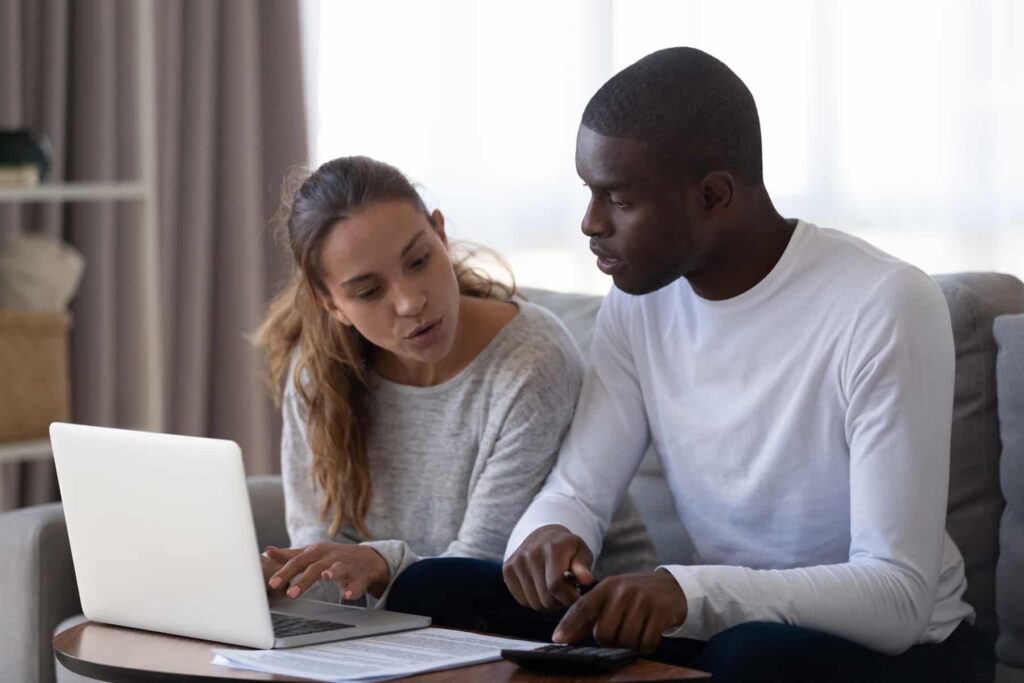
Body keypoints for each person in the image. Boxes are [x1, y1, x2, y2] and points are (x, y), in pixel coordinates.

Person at [385, 48, 977, 681]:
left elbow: (898, 597)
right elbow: (578, 491)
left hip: (893, 651)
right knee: (433, 590)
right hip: (715, 629)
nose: (590, 224)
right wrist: (548, 533)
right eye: (589, 192)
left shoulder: (884, 303)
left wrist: (688, 592)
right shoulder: (640, 305)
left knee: (750, 656)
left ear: (712, 195)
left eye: (617, 199)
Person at [253, 156, 656, 608]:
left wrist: (380, 564)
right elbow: (316, 542)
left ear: (441, 234)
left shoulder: (531, 363)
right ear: (331, 304)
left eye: (420, 260)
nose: (410, 302)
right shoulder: (317, 374)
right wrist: (286, 581)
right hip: (408, 633)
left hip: (573, 627)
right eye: (368, 292)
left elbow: (479, 568)